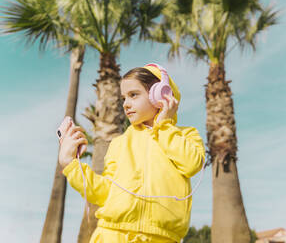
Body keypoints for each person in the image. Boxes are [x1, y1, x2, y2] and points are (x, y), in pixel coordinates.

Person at [58, 63, 206, 243]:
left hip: (163, 238)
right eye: (123, 98)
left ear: (161, 94)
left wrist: (164, 125)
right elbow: (104, 192)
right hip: (112, 235)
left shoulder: (186, 135)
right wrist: (71, 165)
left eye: (134, 95)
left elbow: (191, 164)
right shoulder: (119, 144)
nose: (126, 104)